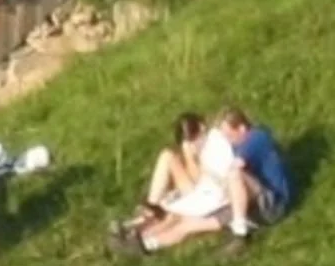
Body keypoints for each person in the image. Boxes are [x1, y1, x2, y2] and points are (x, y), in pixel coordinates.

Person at [118, 107, 290, 256]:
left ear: (242, 128)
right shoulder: (233, 146)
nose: (228, 141)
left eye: (229, 135)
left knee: (233, 174)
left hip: (270, 201)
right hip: (244, 200)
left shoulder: (256, 138)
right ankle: (144, 242)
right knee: (186, 222)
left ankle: (240, 234)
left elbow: (235, 168)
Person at [116, 113, 208, 232]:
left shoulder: (208, 151)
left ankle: (149, 212)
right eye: (201, 135)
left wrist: (190, 157)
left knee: (167, 156)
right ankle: (144, 217)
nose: (204, 138)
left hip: (203, 196)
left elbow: (201, 183)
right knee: (167, 156)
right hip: (187, 197)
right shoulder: (191, 154)